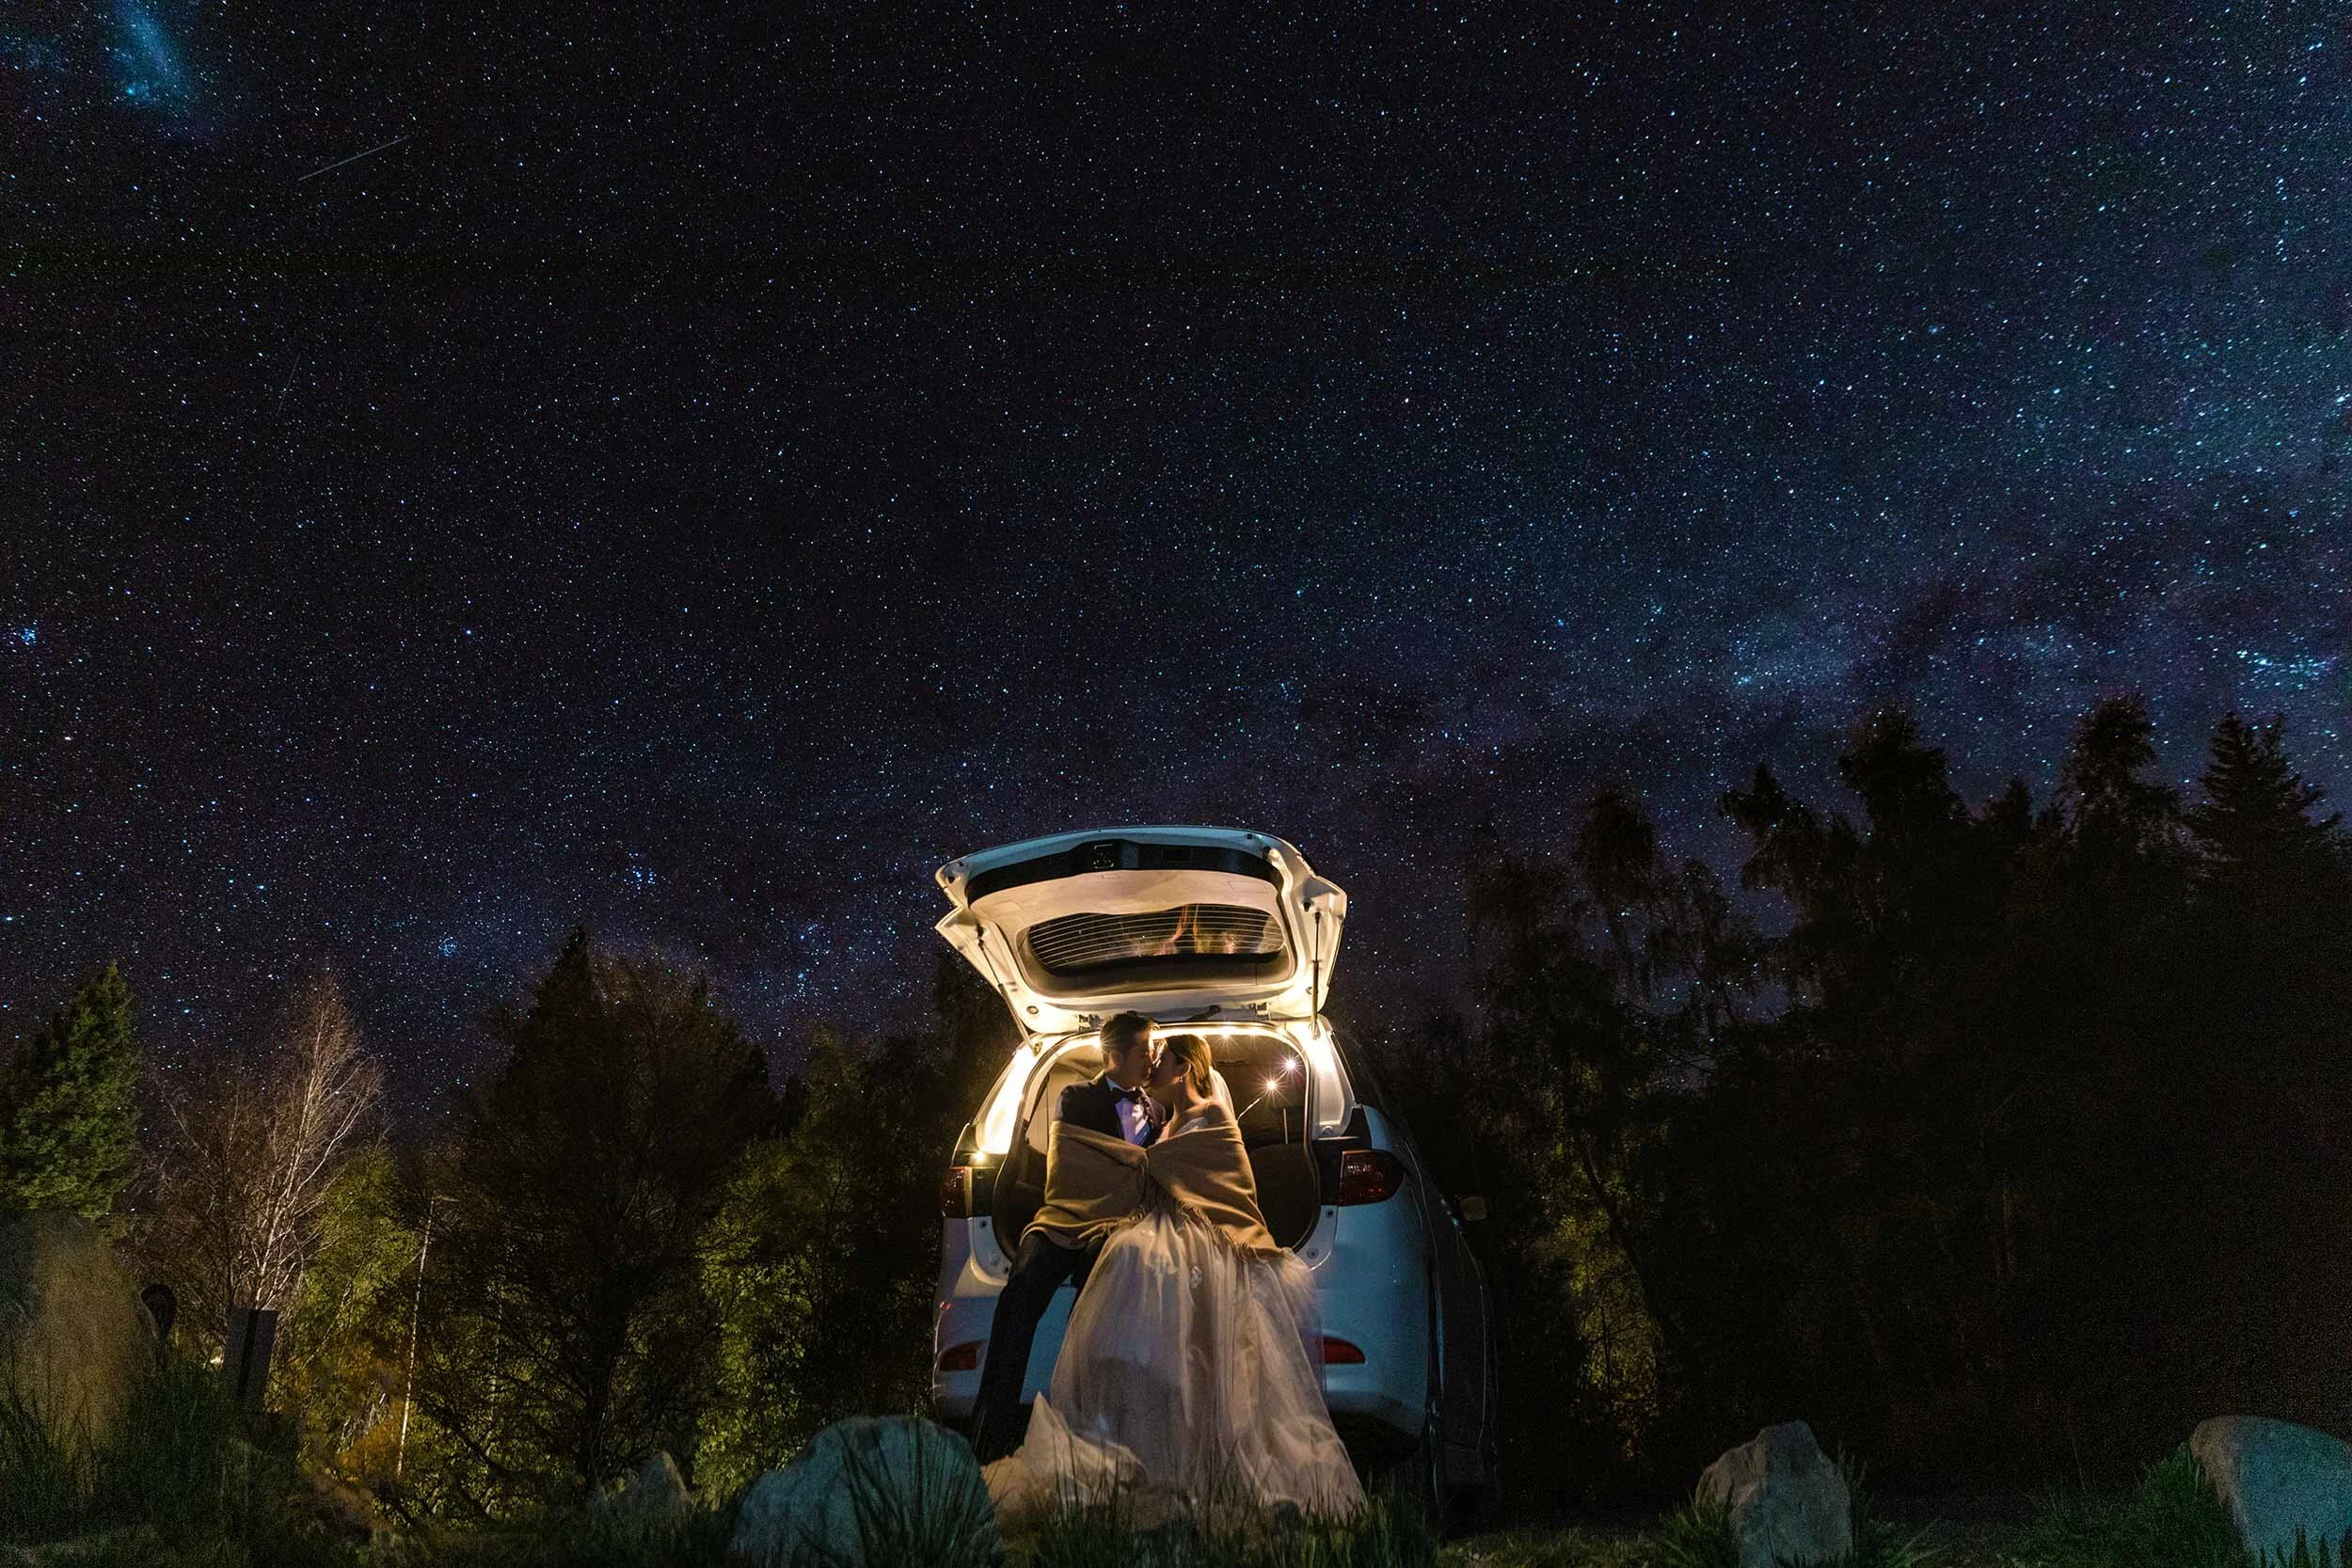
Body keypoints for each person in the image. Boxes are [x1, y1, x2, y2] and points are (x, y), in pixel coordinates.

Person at [981, 1031, 1364, 1527]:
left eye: (1161, 1058)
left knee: (1141, 1258)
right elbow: (1141, 1173)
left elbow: (1219, 1180)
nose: (1152, 1065)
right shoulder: (1156, 1121)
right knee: (1131, 1254)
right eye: (1148, 1054)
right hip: (1156, 1223)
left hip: (1203, 1228)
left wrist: (1149, 1169)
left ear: (1183, 1068)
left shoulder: (1213, 1114)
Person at [970, 1009, 1168, 1465]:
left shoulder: (1158, 1111)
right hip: (1064, 1216)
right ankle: (989, 1434)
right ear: (1114, 1055)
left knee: (1100, 1289)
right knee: (1021, 1290)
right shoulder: (1075, 1097)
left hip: (1120, 1224)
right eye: (1144, 1051)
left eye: (1154, 1051)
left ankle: (1084, 1426)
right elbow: (1073, 1166)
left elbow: (1150, 1173)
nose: (1152, 1060)